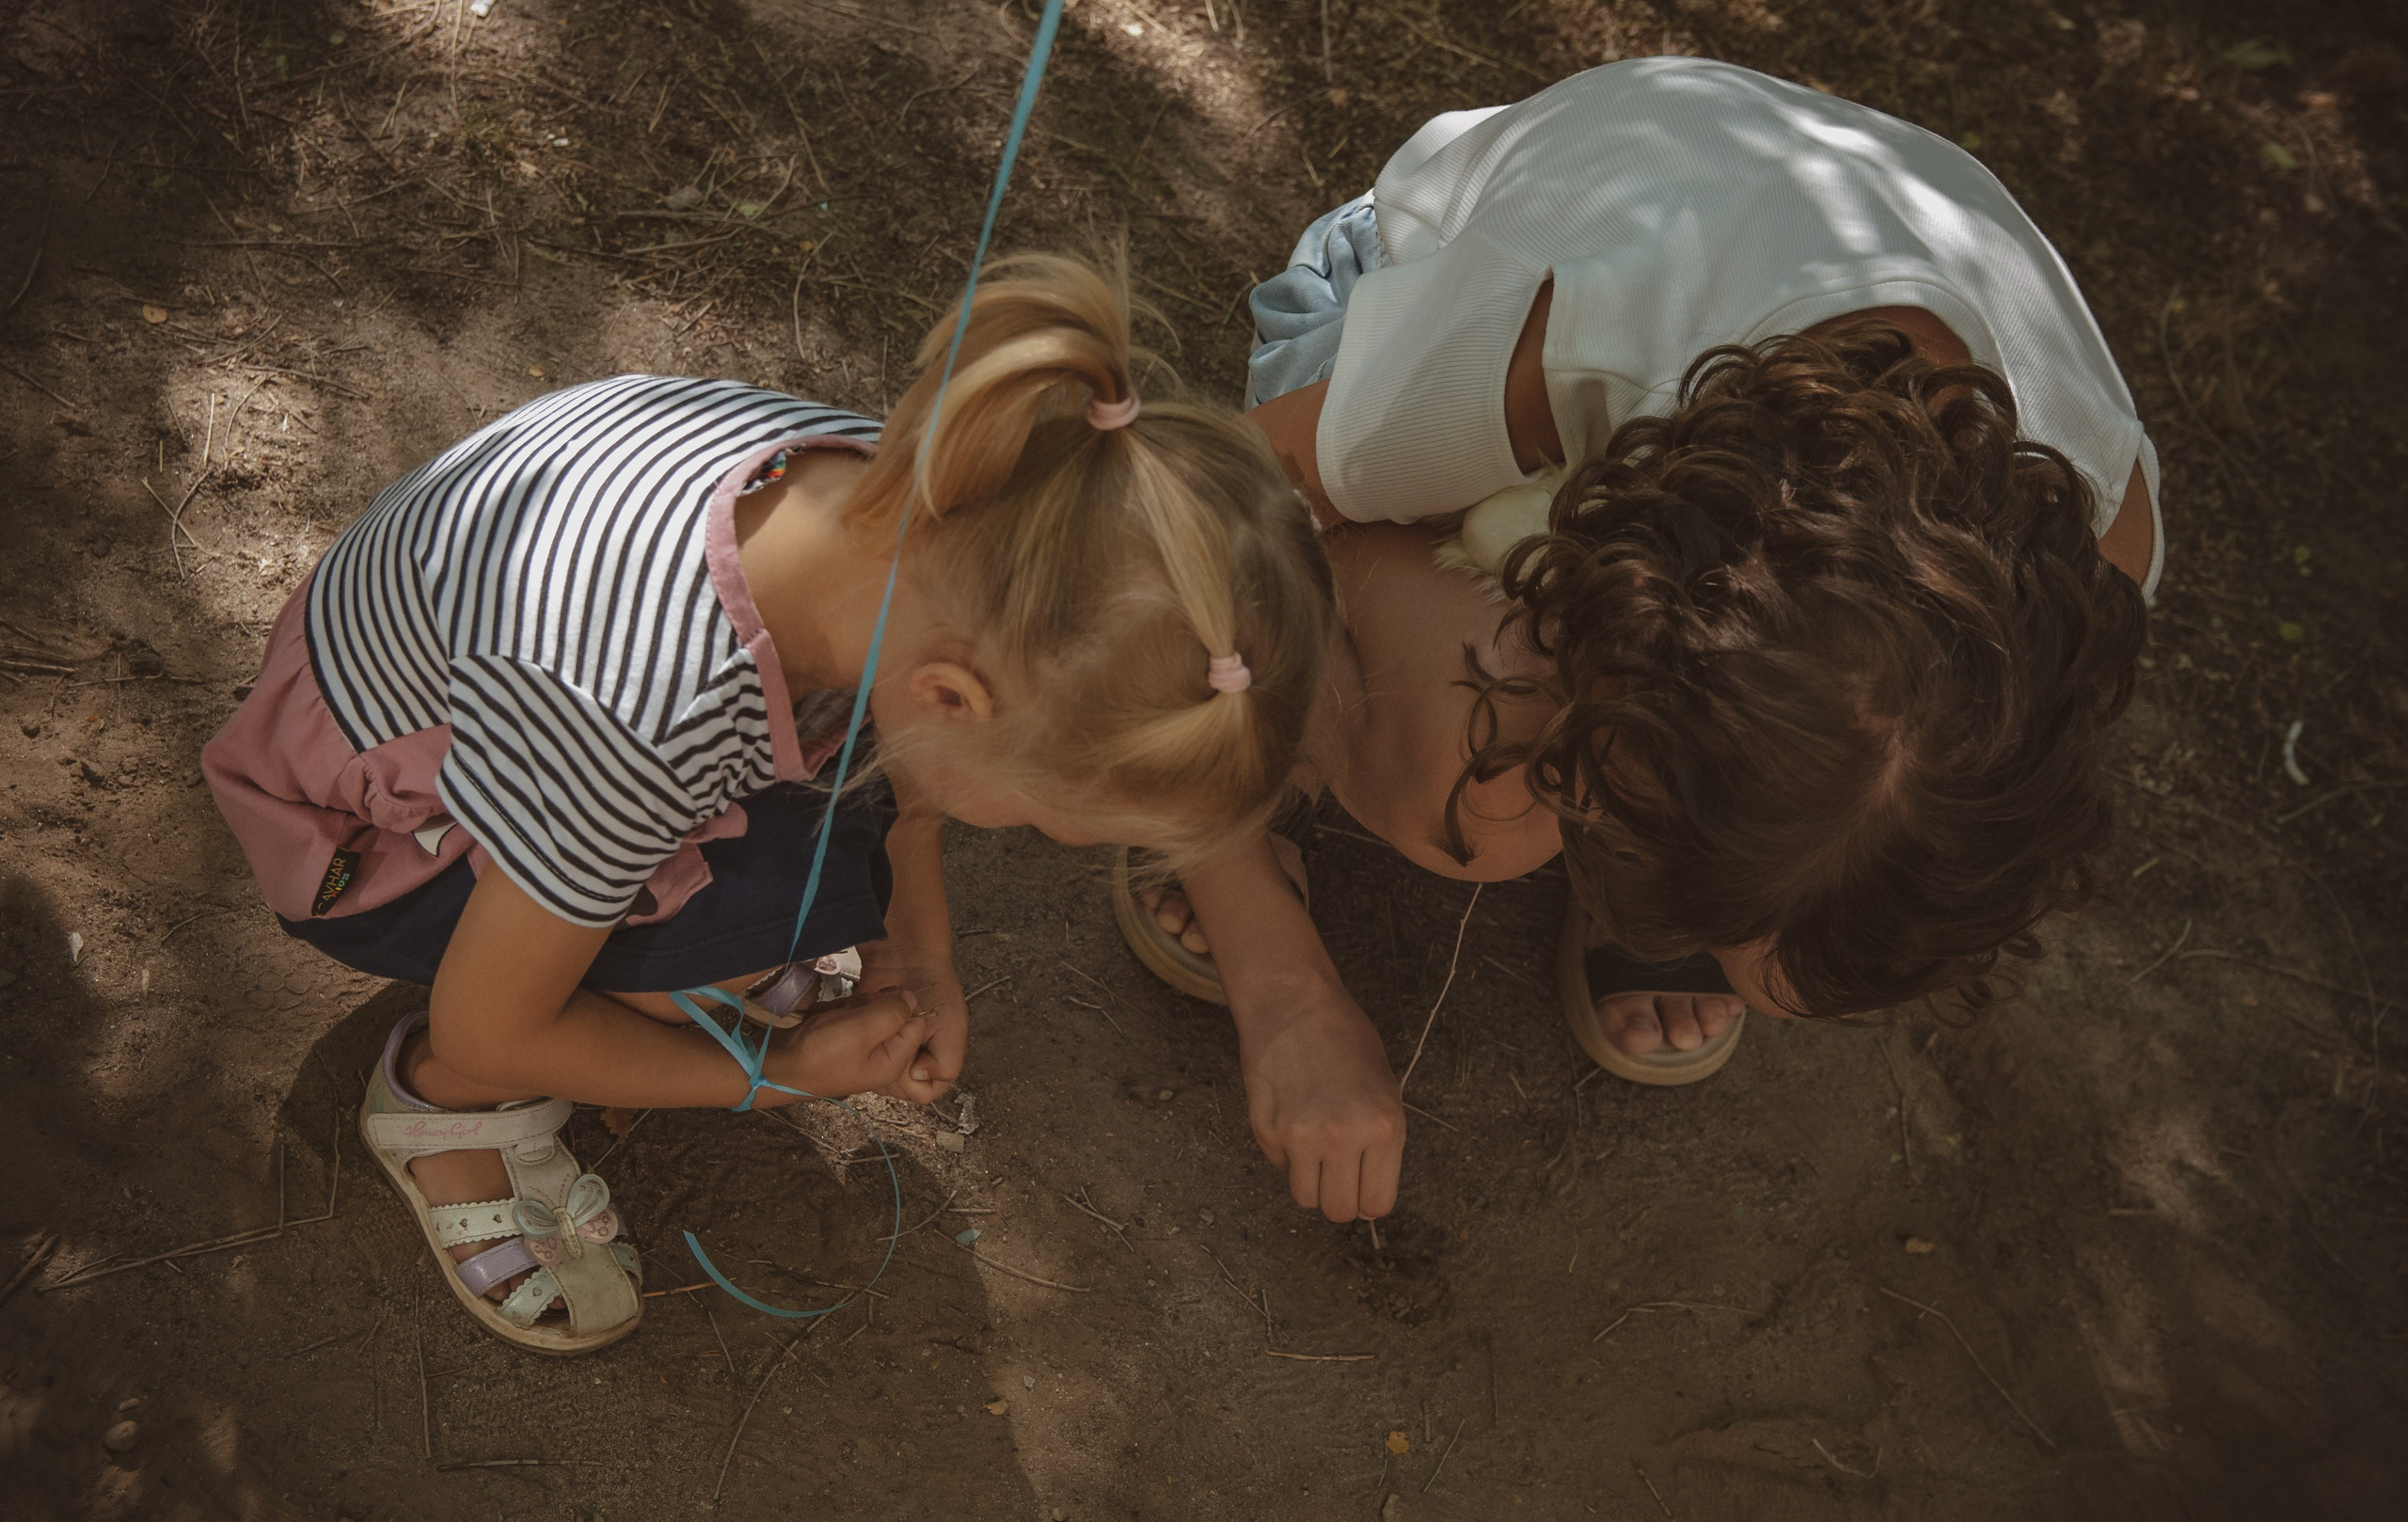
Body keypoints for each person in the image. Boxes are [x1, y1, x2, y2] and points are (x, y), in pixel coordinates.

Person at [203, 256, 1333, 1354]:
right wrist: (774, 1077)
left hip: (483, 691)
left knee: (822, 856)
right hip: (371, 831)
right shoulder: (636, 716)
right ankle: (445, 1111)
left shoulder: (934, 503)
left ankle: (634, 951)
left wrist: (917, 946)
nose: (1037, 831)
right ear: (952, 695)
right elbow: (490, 1020)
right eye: (1044, 815)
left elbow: (913, 771)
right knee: (565, 1000)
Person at [1119, 58, 2155, 1226]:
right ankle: (1265, 779)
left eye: (1707, 936)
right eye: (1693, 912)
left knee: (1626, 798)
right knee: (1477, 778)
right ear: (1621, 642)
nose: (1700, 964)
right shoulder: (1564, 344)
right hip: (1416, 305)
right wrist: (1279, 977)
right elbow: (1179, 514)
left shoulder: (2080, 560)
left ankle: (1679, 835)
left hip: (1667, 465)